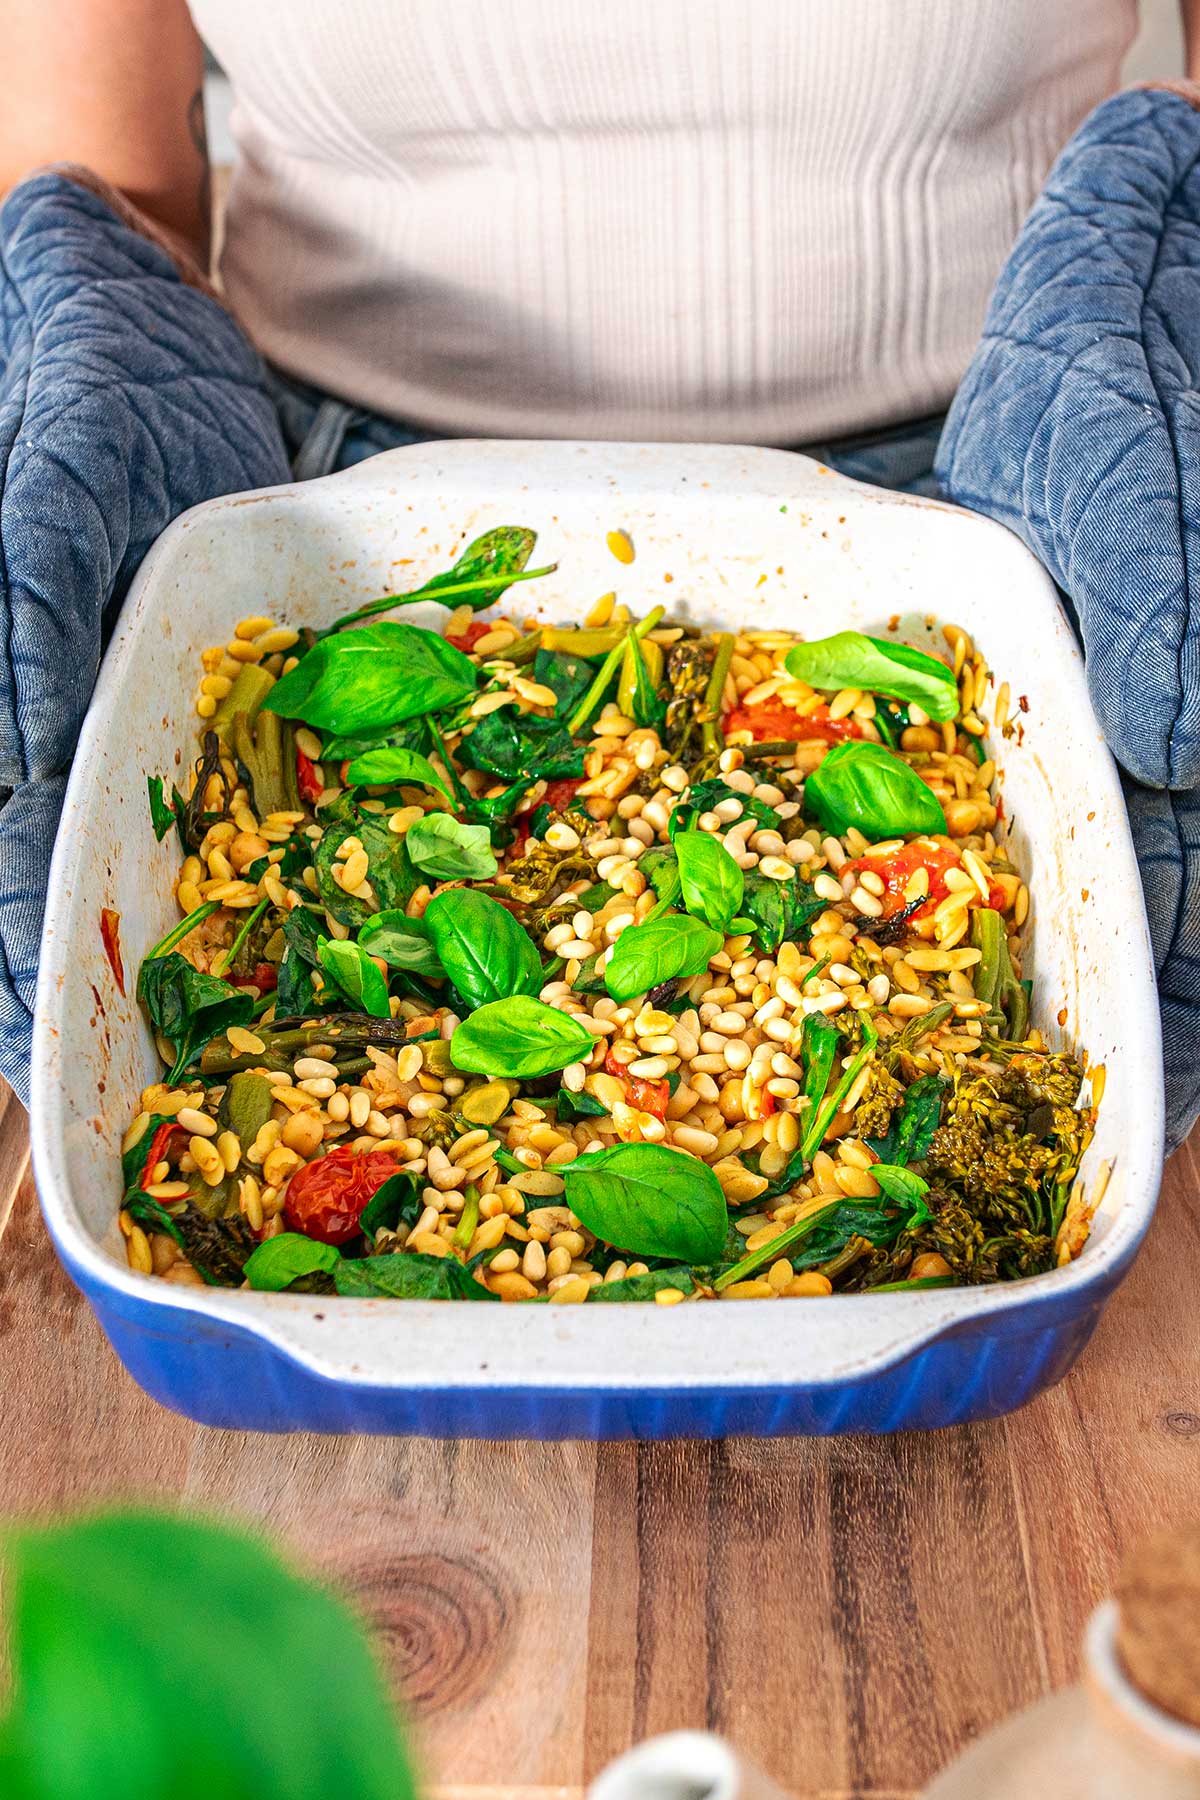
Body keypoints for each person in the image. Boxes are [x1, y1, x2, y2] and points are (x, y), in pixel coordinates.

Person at [2, 0, 1200, 1144]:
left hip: (1000, 493)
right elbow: (94, 166)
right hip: (324, 532)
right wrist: (109, 330)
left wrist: (1150, 290)